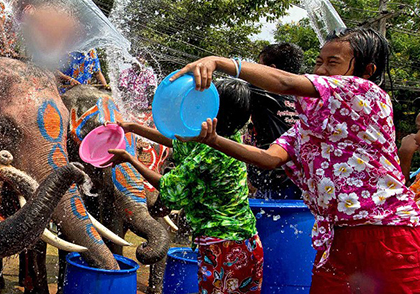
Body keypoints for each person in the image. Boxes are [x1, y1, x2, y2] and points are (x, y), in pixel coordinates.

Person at [171, 27, 420, 293]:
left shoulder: (366, 93)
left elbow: (286, 83)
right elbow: (268, 159)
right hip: (336, 239)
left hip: (388, 234)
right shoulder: (308, 128)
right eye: (319, 62)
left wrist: (219, 62)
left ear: (367, 70)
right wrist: (214, 140)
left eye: (333, 63)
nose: (321, 70)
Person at [108, 79, 263, 294]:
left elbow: (169, 187)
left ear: (216, 110)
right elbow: (176, 140)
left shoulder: (211, 154)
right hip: (240, 241)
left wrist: (129, 159)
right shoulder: (225, 137)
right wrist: (132, 128)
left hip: (226, 246)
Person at [246, 43, 303, 199]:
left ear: (270, 70)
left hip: (271, 175)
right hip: (303, 176)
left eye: (260, 68)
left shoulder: (258, 91)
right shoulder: (305, 96)